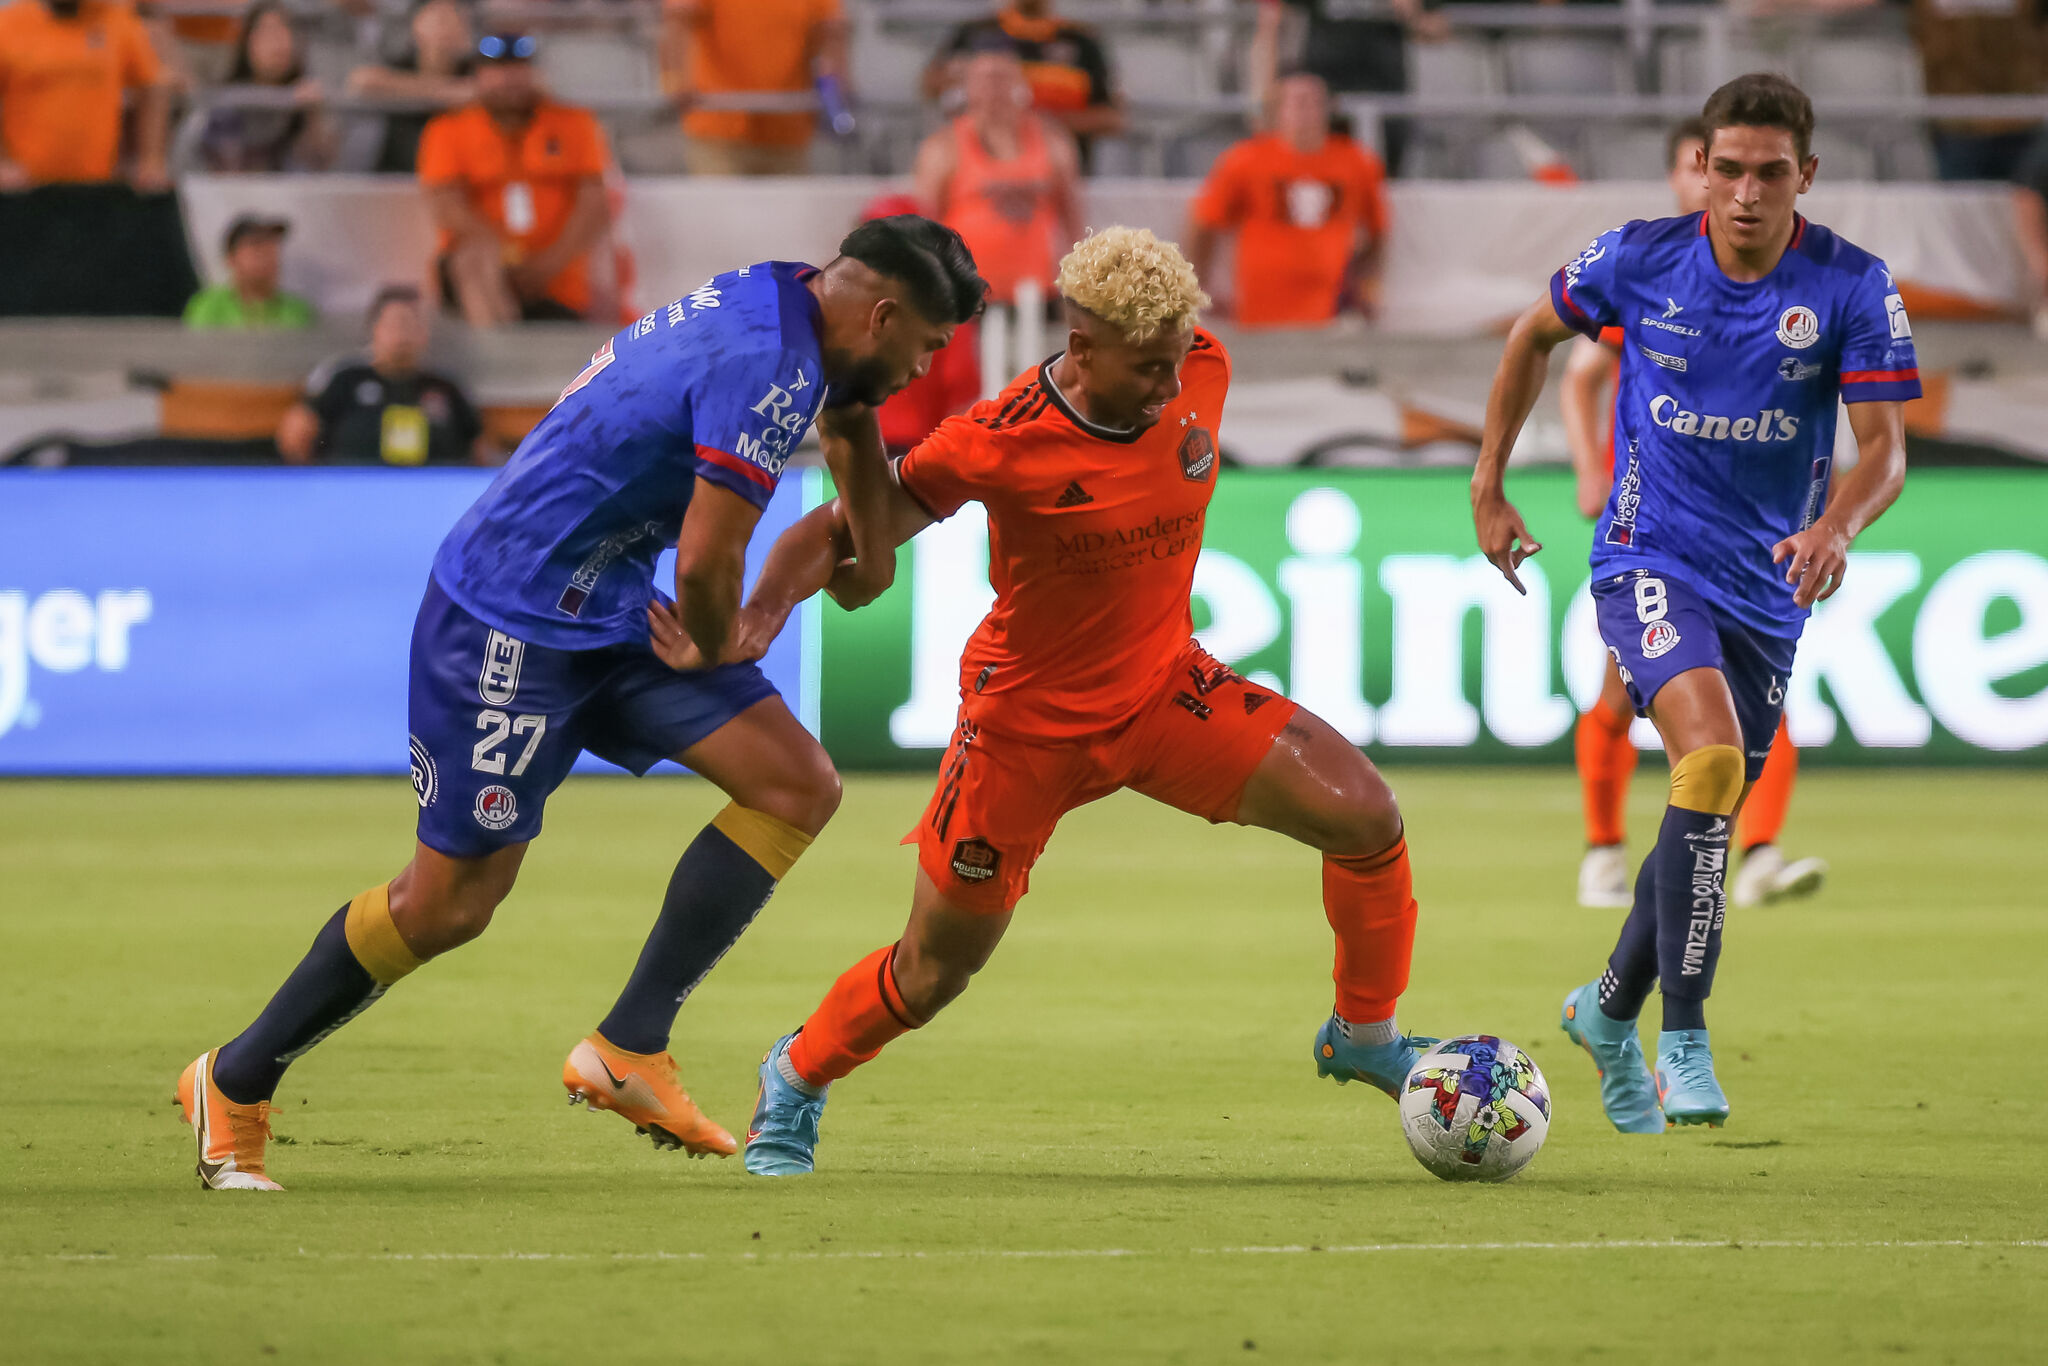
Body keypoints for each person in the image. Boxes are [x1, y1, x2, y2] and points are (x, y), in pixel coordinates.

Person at [176, 216, 985, 1191]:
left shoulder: (795, 301)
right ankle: (234, 1077)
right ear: (885, 313)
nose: (926, 366)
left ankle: (629, 1046)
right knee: (449, 906)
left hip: (602, 604)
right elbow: (706, 555)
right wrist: (727, 628)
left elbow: (850, 417)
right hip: (503, 619)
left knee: (794, 783)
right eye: (928, 347)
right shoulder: (768, 363)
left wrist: (871, 546)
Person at [737, 226, 1437, 1177]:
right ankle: (798, 1074)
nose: (1167, 386)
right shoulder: (999, 442)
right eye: (1146, 368)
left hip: (1162, 692)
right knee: (936, 969)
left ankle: (1364, 1033)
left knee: (1365, 815)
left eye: (1175, 360)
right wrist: (762, 614)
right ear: (1081, 348)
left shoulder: (1201, 365)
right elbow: (840, 533)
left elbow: (1183, 367)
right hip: (1023, 728)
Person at [1471, 75, 1914, 1133]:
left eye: (1769, 173)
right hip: (1644, 553)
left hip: (1768, 585)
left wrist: (1834, 528)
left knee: (1699, 811)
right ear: (1701, 170)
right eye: (1727, 170)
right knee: (1708, 762)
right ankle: (1683, 1032)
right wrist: (1487, 481)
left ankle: (1603, 1007)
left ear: (1802, 175)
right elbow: (1530, 337)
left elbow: (1885, 452)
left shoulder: (1850, 288)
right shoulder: (1637, 257)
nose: (1745, 193)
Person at [1555, 117, 1827, 913]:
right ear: (1694, 174)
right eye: (1699, 167)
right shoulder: (1649, 271)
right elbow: (1578, 374)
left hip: (1749, 526)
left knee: (1759, 700)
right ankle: (1604, 853)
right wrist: (1589, 474)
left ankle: (1761, 854)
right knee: (1621, 692)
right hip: (1657, 526)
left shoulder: (1790, 281)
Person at [418, 33, 615, 326]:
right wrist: (503, 254)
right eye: (497, 69)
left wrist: (548, 264)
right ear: (479, 75)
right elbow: (446, 204)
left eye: (518, 68)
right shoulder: (449, 129)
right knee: (473, 258)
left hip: (558, 281)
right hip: (484, 275)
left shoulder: (574, 123)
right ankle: (498, 353)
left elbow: (594, 204)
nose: (508, 79)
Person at [1185, 70, 1389, 329]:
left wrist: (1367, 284)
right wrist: (1198, 286)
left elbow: (1378, 231)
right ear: (1277, 109)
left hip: (1331, 312)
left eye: (1314, 101)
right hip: (1261, 311)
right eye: (1297, 101)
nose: (1306, 111)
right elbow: (1204, 221)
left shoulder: (1358, 162)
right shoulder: (1246, 159)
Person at [913, 48, 1083, 310]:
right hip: (968, 289)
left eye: (1002, 77)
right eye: (984, 78)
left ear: (1020, 85)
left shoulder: (1052, 141)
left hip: (1038, 289)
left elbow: (1072, 217)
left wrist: (1077, 283)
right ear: (967, 87)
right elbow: (925, 221)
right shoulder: (944, 145)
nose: (994, 86)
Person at [276, 286, 488, 465]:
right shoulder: (344, 378)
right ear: (374, 329)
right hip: (352, 491)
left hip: (431, 495)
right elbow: (296, 437)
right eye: (396, 323)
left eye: (412, 323)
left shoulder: (446, 387)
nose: (404, 332)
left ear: (425, 332)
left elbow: (481, 449)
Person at [1249, 0, 1443, 176]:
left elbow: (1438, 30)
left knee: (1381, 181)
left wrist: (1412, 16)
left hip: (1384, 96)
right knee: (1313, 182)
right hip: (1324, 101)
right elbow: (1270, 23)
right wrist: (1264, 99)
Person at [661, 0, 849, 176]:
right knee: (721, 208)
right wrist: (675, 79)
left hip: (787, 131)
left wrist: (836, 86)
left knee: (788, 209)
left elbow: (831, 33)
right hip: (719, 130)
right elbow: (678, 17)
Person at [925, 0, 1123, 167]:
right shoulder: (974, 34)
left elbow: (1112, 118)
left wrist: (1037, 124)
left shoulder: (1082, 42)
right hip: (979, 178)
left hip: (1059, 176)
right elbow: (931, 86)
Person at [0, 0, 170, 191]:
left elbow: (153, 83)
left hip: (97, 181)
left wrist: (151, 159)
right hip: (23, 185)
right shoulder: (8, 24)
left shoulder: (115, 20)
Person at [198, 1, 337, 173]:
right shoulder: (227, 100)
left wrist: (312, 116)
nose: (279, 41)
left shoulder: (306, 97)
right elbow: (223, 168)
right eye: (268, 31)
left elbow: (320, 167)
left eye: (286, 30)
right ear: (247, 41)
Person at [348, 0, 476, 175]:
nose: (448, 28)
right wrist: (445, 91)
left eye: (457, 19)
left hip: (457, 172)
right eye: (440, 19)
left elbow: (484, 91)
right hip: (397, 171)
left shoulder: (475, 69)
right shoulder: (400, 63)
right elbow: (363, 81)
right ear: (416, 24)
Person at [184, 214, 318, 331]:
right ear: (231, 259)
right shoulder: (208, 306)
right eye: (256, 246)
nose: (268, 255)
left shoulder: (297, 310)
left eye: (272, 247)